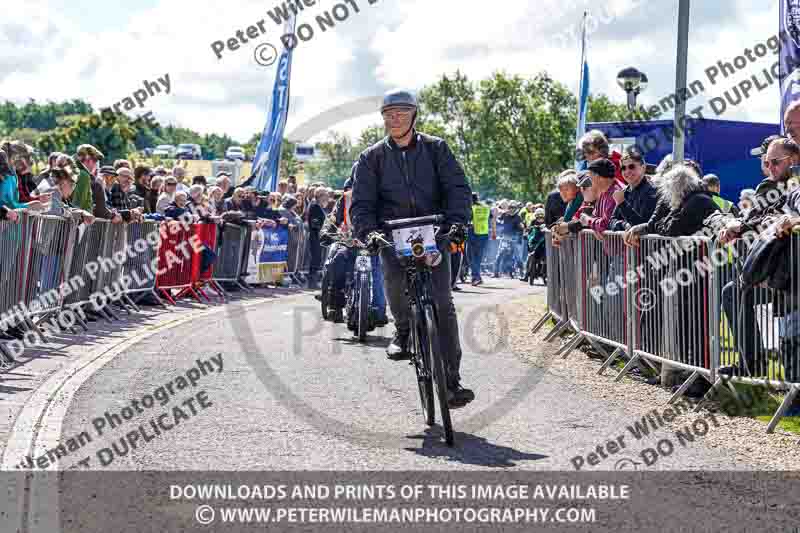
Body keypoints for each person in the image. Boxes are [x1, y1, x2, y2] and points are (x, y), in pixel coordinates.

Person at [350, 88, 473, 408]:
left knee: (442, 302)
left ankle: (452, 379)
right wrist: (369, 232)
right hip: (393, 233)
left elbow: (457, 188)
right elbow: (362, 203)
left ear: (414, 115)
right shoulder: (371, 157)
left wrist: (458, 222)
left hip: (434, 230)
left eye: (401, 113)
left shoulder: (436, 149)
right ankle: (403, 330)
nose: (395, 119)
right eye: (389, 115)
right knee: (392, 280)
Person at [608, 146, 659, 231]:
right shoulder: (624, 192)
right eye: (623, 168)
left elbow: (643, 224)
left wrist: (622, 204)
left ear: (643, 168)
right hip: (626, 244)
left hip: (646, 244)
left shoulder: (652, 191)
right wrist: (624, 225)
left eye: (631, 166)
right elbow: (611, 222)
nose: (627, 171)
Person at [305, 187, 328, 289]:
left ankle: (314, 281)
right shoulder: (314, 206)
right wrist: (322, 229)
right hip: (315, 236)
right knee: (315, 258)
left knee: (318, 258)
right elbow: (315, 223)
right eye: (325, 195)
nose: (327, 197)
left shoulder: (319, 206)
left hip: (319, 235)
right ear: (320, 196)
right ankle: (311, 282)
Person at [468, 192, 490, 286]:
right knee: (478, 257)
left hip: (474, 233)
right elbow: (491, 219)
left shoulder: (471, 208)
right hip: (484, 233)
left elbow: (468, 219)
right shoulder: (485, 207)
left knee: (471, 257)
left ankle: (475, 277)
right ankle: (478, 277)